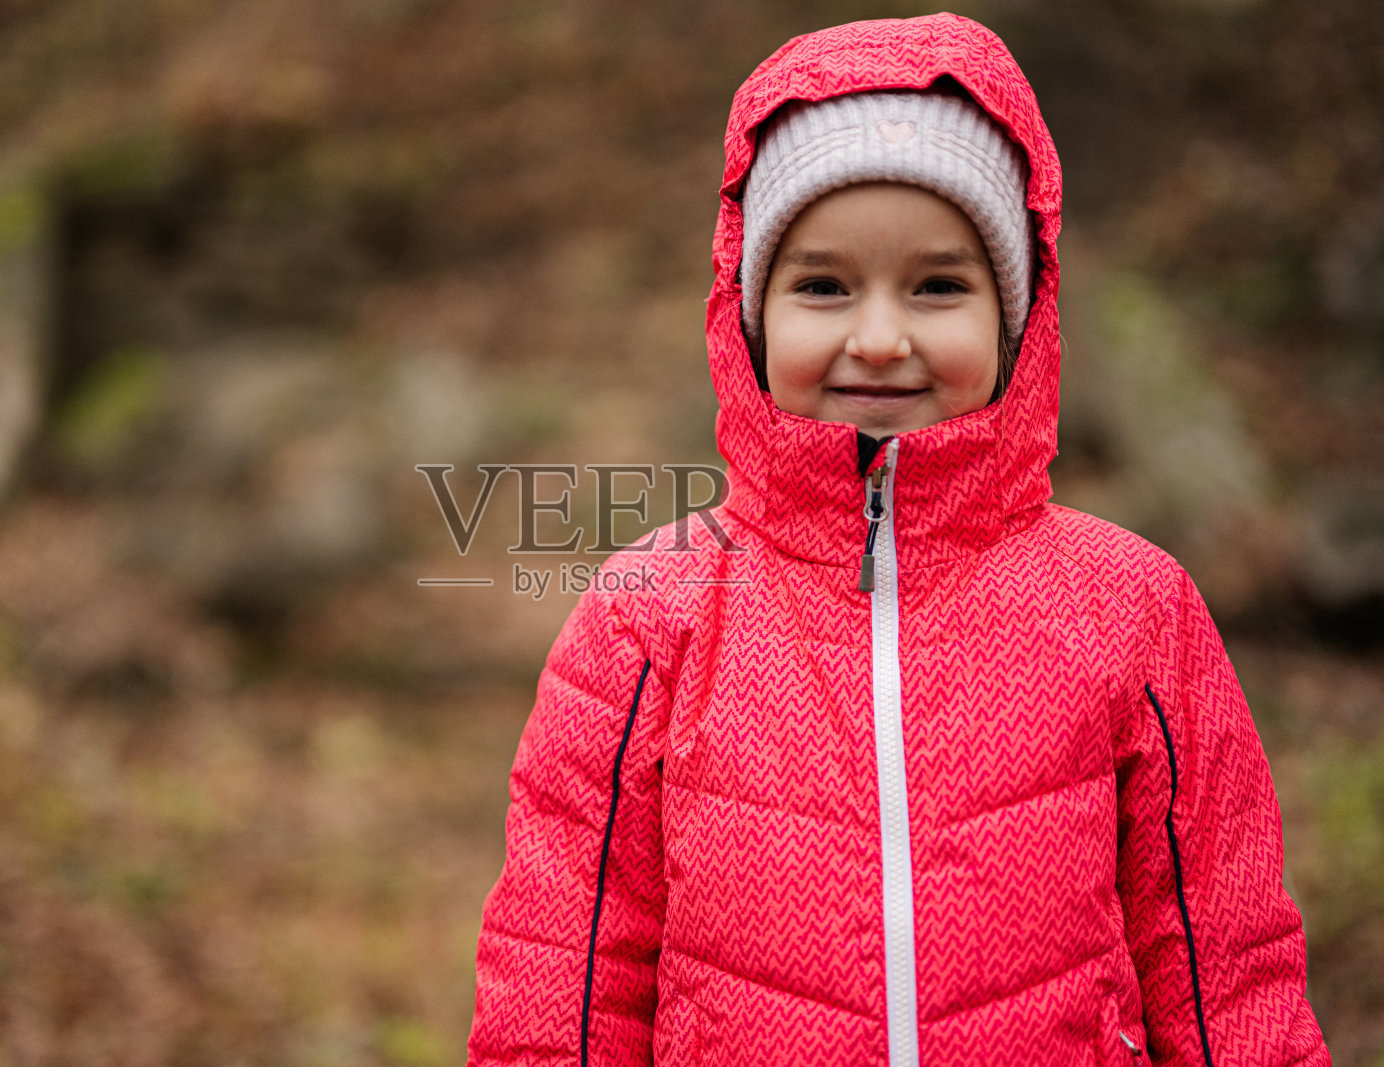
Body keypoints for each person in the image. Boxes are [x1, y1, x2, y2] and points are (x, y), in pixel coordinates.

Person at [465, 13, 1330, 1066]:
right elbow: (563, 977)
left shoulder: (1130, 607)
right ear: (750, 315)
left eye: (938, 285)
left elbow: (1225, 964)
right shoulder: (648, 618)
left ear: (1017, 317)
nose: (879, 338)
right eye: (823, 285)